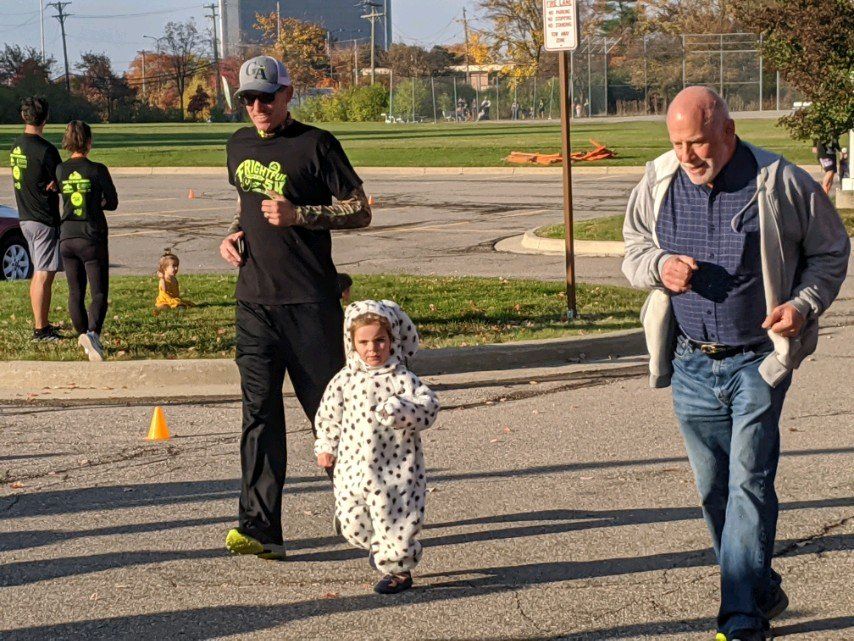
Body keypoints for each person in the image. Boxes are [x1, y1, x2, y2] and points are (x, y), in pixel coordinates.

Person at [622, 86, 849, 641]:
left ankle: (742, 619)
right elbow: (631, 248)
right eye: (677, 143)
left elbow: (831, 250)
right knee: (714, 489)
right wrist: (659, 265)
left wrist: (802, 305)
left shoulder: (779, 181)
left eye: (697, 142)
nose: (687, 155)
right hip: (692, 361)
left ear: (727, 131)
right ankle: (760, 588)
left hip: (758, 362)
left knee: (749, 483)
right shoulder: (659, 180)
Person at [219, 55, 372, 559]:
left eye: (267, 96)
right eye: (248, 99)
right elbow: (244, 207)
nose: (258, 106)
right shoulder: (237, 145)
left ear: (288, 94)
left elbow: (360, 209)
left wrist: (299, 214)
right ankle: (261, 528)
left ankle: (360, 511)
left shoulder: (317, 143)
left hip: (310, 303)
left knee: (330, 418)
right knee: (258, 415)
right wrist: (235, 235)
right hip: (254, 303)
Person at [314, 300, 439, 594]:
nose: (373, 349)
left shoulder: (402, 379)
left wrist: (400, 411)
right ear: (352, 343)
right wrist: (326, 445)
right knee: (353, 526)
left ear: (392, 340)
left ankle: (399, 571)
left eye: (380, 341)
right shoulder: (344, 380)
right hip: (352, 467)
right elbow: (329, 416)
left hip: (395, 470)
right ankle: (370, 541)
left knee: (395, 522)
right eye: (364, 342)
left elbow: (429, 407)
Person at [56, 121, 118, 361]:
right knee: (99, 290)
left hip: (67, 235)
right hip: (91, 235)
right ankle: (92, 333)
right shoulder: (97, 170)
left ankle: (82, 335)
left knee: (75, 291)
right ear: (89, 142)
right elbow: (112, 202)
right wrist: (97, 202)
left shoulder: (61, 170)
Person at [9, 96, 62, 341]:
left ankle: (43, 323)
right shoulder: (46, 150)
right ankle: (40, 329)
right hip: (43, 219)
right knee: (43, 274)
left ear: (24, 116)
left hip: (25, 216)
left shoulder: (16, 147)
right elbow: (62, 181)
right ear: (46, 118)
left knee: (39, 273)